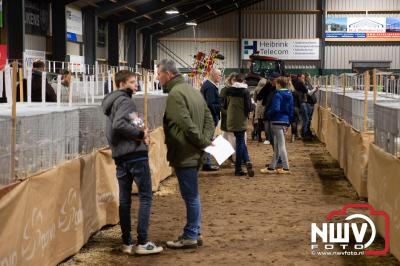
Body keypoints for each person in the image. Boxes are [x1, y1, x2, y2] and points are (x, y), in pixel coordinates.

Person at [101, 70, 163, 255]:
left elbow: (125, 123)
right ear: (121, 84)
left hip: (121, 156)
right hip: (134, 155)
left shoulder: (112, 102)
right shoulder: (125, 101)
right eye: (132, 82)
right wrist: (139, 134)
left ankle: (127, 242)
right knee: (145, 196)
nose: (136, 85)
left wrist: (141, 130)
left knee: (125, 199)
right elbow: (119, 125)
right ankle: (142, 242)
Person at [157, 59, 215, 249]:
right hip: (194, 151)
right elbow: (208, 118)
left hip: (185, 152)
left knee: (190, 196)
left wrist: (202, 141)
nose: (157, 77)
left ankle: (191, 234)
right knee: (193, 195)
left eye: (159, 74)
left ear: (169, 74)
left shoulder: (175, 93)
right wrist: (205, 141)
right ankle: (194, 232)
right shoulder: (193, 90)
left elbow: (185, 123)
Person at [261, 77, 294, 174]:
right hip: (285, 121)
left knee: (281, 145)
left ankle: (286, 167)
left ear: (279, 84)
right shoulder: (290, 94)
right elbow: (291, 110)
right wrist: (289, 122)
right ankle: (272, 167)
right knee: (277, 145)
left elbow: (276, 108)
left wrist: (268, 114)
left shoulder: (278, 94)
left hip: (276, 120)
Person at [225, 73, 254, 177]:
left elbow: (224, 104)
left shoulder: (228, 90)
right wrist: (252, 106)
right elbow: (248, 107)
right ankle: (238, 169)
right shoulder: (245, 91)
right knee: (240, 142)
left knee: (240, 141)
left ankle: (247, 160)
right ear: (243, 81)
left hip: (231, 118)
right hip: (241, 119)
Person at [200, 68, 222, 171]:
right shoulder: (210, 87)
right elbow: (210, 103)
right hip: (210, 117)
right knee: (208, 139)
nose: (220, 77)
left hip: (208, 116)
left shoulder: (208, 85)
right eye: (219, 75)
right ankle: (206, 163)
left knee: (208, 139)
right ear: (213, 75)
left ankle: (206, 161)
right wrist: (219, 108)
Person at [253, 78, 267, 142]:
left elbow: (254, 98)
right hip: (266, 106)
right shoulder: (267, 89)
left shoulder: (256, 89)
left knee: (258, 122)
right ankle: (267, 137)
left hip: (258, 106)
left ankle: (259, 137)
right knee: (266, 122)